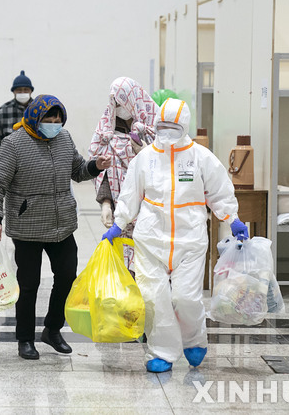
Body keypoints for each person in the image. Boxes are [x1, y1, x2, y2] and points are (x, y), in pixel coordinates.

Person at [101, 98, 249, 373]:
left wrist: (232, 218)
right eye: (162, 126)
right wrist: (118, 223)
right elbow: (131, 194)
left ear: (184, 127)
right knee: (154, 297)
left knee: (185, 297)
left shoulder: (200, 157)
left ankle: (195, 341)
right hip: (150, 239)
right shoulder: (145, 158)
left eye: (173, 127)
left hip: (189, 240)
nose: (167, 132)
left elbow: (219, 190)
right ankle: (161, 352)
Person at [0, 95, 111, 360]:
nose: (54, 123)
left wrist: (94, 166)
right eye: (48, 119)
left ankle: (52, 330)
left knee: (67, 276)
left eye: (57, 119)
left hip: (62, 224)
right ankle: (25, 339)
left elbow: (77, 170)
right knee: (28, 283)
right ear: (35, 117)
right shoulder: (14, 144)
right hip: (27, 225)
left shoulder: (63, 139)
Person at [88, 77, 158, 274]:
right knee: (125, 269)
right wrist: (106, 203)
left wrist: (145, 151)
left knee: (151, 269)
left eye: (122, 102)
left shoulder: (155, 125)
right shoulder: (107, 131)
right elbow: (101, 167)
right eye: (115, 103)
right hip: (122, 215)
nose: (118, 107)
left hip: (152, 213)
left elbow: (168, 165)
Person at [0, 70, 34, 172]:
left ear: (31, 91)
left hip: (35, 165)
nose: (22, 93)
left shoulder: (40, 111)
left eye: (25, 90)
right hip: (8, 167)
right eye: (19, 90)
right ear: (13, 91)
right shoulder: (2, 112)